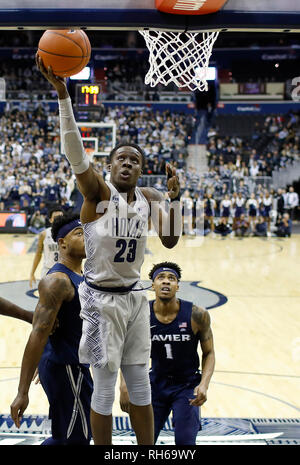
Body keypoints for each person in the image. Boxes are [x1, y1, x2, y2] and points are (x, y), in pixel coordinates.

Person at [36, 55, 181, 446]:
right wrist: (64, 97)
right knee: (103, 389)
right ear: (110, 165)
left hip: (135, 299)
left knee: (140, 386)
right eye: (122, 158)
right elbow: (75, 155)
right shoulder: (99, 195)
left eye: (135, 160)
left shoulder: (149, 197)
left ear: (141, 169)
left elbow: (170, 241)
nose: (128, 164)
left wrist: (176, 201)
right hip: (100, 303)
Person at [10, 212, 93, 445]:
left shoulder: (81, 275)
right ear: (62, 243)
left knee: (67, 435)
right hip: (66, 367)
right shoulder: (58, 280)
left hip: (68, 363)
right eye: (80, 234)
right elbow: (38, 332)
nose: (88, 238)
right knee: (77, 439)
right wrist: (22, 392)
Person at [119, 262, 215, 445]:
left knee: (185, 443)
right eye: (160, 278)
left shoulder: (197, 314)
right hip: (155, 384)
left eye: (171, 279)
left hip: (186, 386)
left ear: (178, 286)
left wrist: (204, 384)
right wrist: (124, 385)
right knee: (144, 441)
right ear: (152, 285)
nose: (166, 282)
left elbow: (209, 352)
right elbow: (127, 350)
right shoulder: (140, 314)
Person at [29, 205, 64, 288]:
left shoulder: (68, 234)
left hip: (64, 271)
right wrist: (32, 273)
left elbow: (74, 256)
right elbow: (38, 254)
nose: (59, 219)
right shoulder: (44, 234)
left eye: (61, 217)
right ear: (50, 220)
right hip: (48, 271)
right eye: (56, 217)